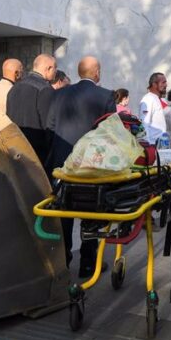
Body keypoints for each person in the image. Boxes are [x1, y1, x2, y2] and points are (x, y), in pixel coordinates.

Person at [46, 55, 116, 277]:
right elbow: (110, 134)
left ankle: (64, 259)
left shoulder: (59, 94)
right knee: (91, 213)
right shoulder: (105, 96)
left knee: (64, 213)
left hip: (63, 164)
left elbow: (50, 127)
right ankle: (88, 263)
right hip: (91, 165)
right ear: (96, 73)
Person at [6, 54, 57, 163]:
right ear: (48, 68)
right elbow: (49, 125)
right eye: (55, 68)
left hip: (15, 147)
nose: (56, 72)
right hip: (36, 152)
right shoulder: (45, 89)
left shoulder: (15, 87)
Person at [138, 72, 168, 140]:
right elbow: (144, 125)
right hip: (152, 146)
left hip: (160, 145)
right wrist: (148, 147)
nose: (166, 85)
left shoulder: (156, 98)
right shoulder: (148, 99)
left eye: (165, 82)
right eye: (163, 82)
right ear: (154, 84)